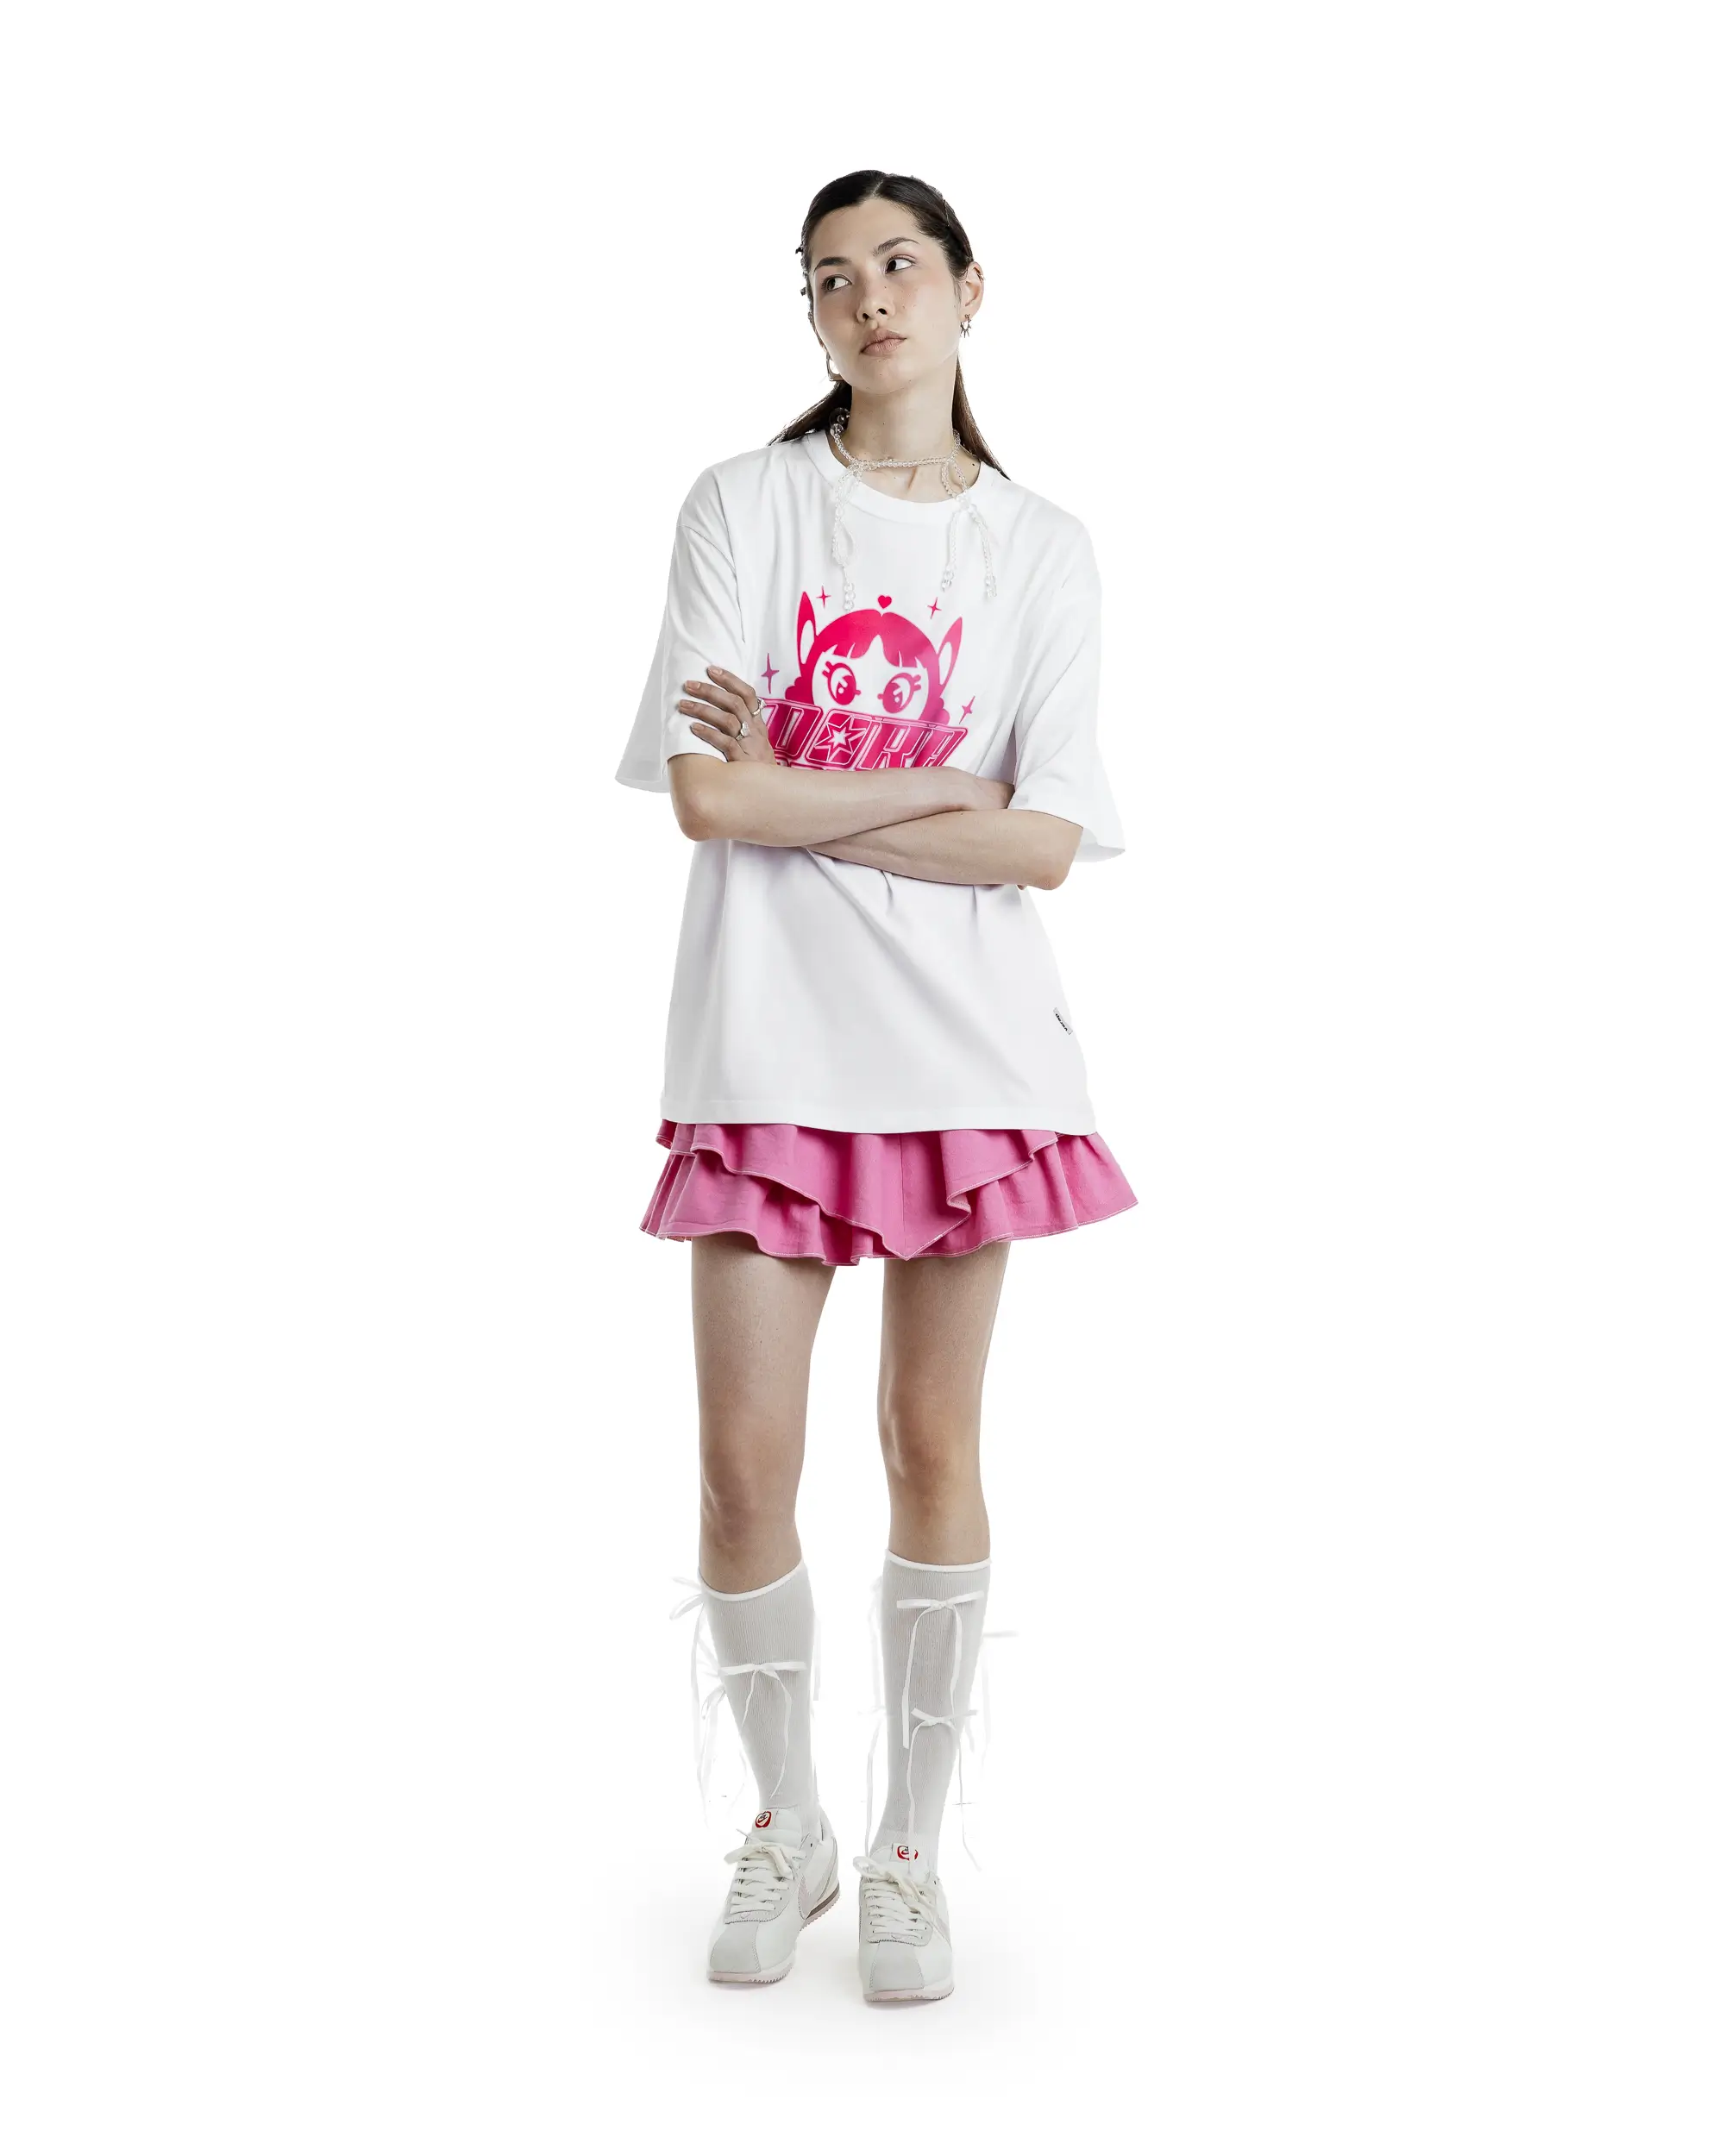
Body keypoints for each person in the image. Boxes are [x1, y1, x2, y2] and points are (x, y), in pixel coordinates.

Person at [614, 170, 1137, 2005]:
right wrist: (940, 798)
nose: (868, 300)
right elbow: (710, 801)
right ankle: (791, 1822)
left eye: (900, 264)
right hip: (763, 1042)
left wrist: (805, 792)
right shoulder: (743, 507)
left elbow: (1047, 841)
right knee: (741, 1468)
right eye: (830, 277)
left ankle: (909, 1844)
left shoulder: (1039, 549)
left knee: (931, 1446)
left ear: (970, 288)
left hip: (964, 1055)